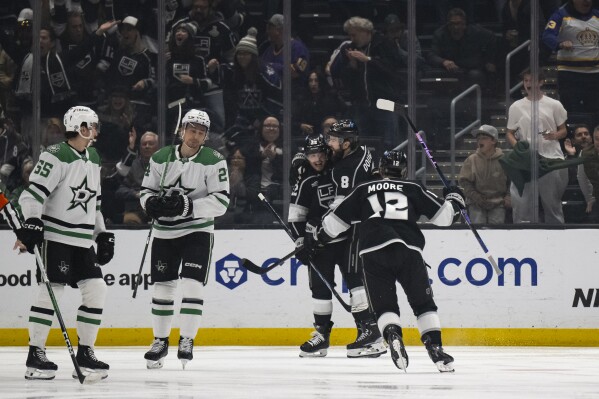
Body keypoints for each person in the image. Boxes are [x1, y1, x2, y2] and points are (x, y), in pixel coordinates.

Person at [306, 150, 464, 372]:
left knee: (385, 307)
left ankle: (392, 334)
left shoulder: (363, 189)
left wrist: (315, 239)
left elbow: (332, 224)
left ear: (380, 170)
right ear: (404, 170)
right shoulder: (412, 188)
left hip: (373, 253)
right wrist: (455, 199)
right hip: (408, 251)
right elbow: (446, 218)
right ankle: (435, 349)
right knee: (423, 305)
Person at [16, 105, 115, 380]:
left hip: (82, 240)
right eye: (91, 125)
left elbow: (94, 203)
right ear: (80, 127)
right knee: (52, 291)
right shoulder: (55, 155)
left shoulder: (93, 156)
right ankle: (35, 354)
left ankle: (85, 353)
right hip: (56, 237)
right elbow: (31, 195)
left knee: (97, 289)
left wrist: (102, 233)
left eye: (95, 126)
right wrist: (34, 222)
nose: (94, 131)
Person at [139, 109, 229, 369]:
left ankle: (187, 340)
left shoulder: (214, 160)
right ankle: (160, 341)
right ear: (181, 131)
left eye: (201, 133)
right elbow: (145, 191)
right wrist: (151, 204)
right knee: (162, 287)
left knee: (192, 285)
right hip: (165, 232)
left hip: (197, 231)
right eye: (191, 130)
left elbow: (221, 201)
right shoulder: (160, 157)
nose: (195, 136)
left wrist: (187, 207)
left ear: (206, 136)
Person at [318, 119, 386, 357]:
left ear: (346, 143)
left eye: (334, 139)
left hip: (360, 226)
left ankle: (371, 333)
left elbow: (343, 207)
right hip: (373, 222)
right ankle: (369, 330)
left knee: (355, 278)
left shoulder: (346, 168)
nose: (330, 143)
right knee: (356, 277)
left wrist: (322, 232)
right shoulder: (365, 151)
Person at [505, 68, 568, 223]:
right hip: (526, 160)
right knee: (521, 204)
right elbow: (509, 132)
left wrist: (554, 135)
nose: (528, 84)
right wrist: (517, 147)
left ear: (541, 82)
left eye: (532, 80)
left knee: (552, 203)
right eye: (526, 80)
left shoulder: (554, 104)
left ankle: (556, 238)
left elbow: (563, 130)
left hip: (550, 158)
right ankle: (522, 240)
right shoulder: (516, 106)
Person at [542, 0, 599, 114]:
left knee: (595, 112)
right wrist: (560, 44)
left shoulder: (597, 15)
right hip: (570, 73)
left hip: (595, 73)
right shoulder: (560, 15)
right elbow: (547, 35)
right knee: (570, 111)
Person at [458, 124, 510, 224]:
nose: (480, 141)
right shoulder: (471, 160)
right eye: (478, 139)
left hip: (498, 202)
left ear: (494, 141)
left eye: (484, 138)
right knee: (478, 227)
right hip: (476, 202)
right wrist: (476, 196)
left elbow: (512, 181)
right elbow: (465, 182)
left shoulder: (504, 160)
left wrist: (508, 196)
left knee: (497, 230)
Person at [115, 129, 160, 224]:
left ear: (158, 147)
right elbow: (120, 191)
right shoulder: (131, 166)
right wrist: (136, 194)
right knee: (129, 219)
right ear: (140, 147)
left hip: (159, 209)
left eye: (151, 143)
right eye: (144, 144)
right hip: (136, 209)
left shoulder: (166, 166)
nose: (147, 146)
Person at [564, 124, 596, 220]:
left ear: (591, 138)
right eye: (579, 135)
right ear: (573, 140)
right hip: (574, 199)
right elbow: (572, 179)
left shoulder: (596, 155)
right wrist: (571, 156)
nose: (583, 137)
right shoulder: (567, 158)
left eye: (586, 134)